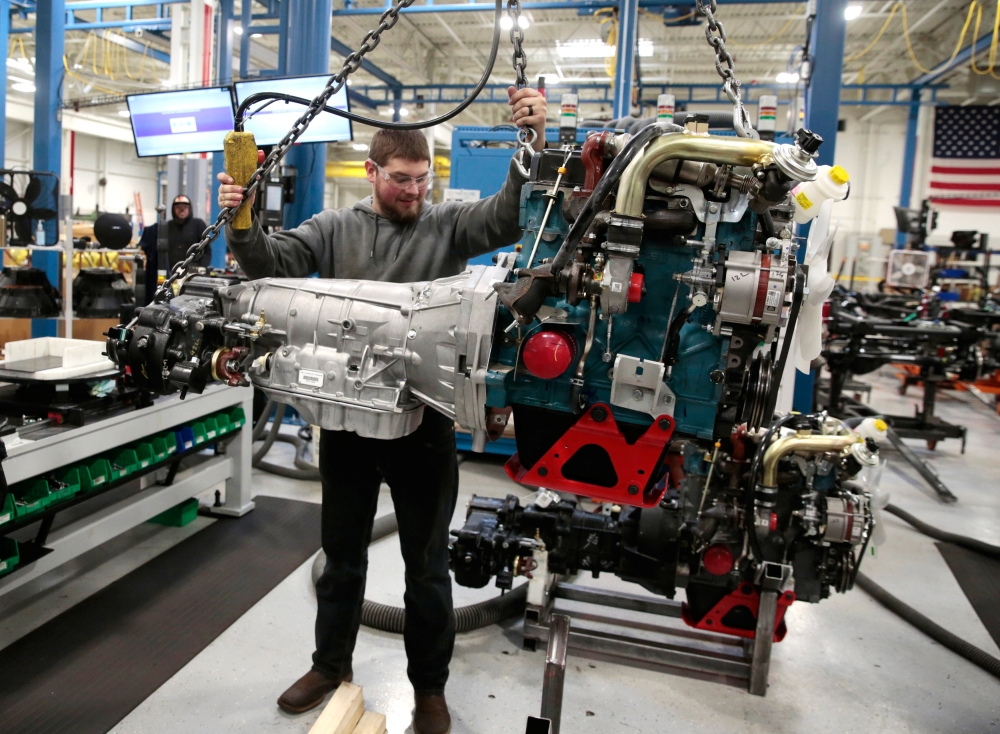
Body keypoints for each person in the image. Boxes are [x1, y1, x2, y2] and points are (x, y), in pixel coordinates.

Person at [217, 86, 547, 734]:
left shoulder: (449, 224)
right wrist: (242, 220)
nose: (414, 192)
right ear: (371, 172)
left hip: (425, 425)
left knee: (427, 568)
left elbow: (508, 218)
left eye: (423, 180)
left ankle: (428, 690)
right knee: (342, 556)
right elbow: (271, 262)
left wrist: (529, 144)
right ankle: (330, 666)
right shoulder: (334, 228)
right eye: (401, 180)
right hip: (347, 421)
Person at [137, 195, 211, 304]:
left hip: (192, 276)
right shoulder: (166, 227)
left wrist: (201, 268)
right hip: (171, 276)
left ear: (189, 208)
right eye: (178, 207)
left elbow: (207, 250)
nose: (182, 209)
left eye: (185, 207)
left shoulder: (198, 225)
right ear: (173, 209)